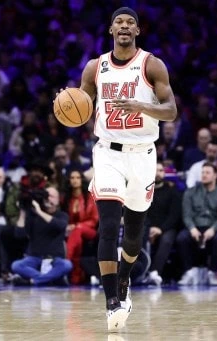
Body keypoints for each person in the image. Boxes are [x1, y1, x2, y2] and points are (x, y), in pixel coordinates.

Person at [78, 6, 177, 331]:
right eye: (118, 22)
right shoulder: (95, 67)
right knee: (108, 226)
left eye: (129, 22)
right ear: (110, 30)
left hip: (142, 155)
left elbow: (171, 111)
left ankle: (123, 278)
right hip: (107, 153)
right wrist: (72, 107)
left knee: (133, 234)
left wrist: (141, 106)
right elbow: (84, 105)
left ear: (137, 30)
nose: (124, 26)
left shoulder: (151, 64)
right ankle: (111, 302)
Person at [177, 163, 217, 286]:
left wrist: (213, 229)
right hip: (195, 226)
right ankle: (189, 272)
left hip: (213, 227)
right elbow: (187, 214)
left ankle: (212, 273)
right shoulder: (190, 192)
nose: (204, 175)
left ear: (215, 175)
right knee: (181, 238)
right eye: (202, 172)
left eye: (207, 172)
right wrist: (192, 228)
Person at [11, 187, 72, 285]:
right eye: (46, 196)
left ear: (58, 200)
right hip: (34, 257)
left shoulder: (62, 215)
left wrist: (39, 212)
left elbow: (60, 226)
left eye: (51, 196)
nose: (48, 199)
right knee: (16, 265)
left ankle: (33, 281)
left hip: (54, 258)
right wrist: (23, 212)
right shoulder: (32, 216)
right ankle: (48, 279)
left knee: (67, 265)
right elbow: (19, 235)